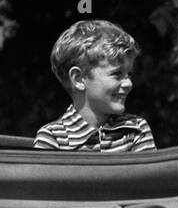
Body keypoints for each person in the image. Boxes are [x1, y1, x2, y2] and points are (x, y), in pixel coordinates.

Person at [33, 20, 155, 152]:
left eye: (129, 74)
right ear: (78, 79)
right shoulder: (53, 139)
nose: (128, 83)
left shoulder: (135, 129)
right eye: (117, 74)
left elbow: (149, 173)